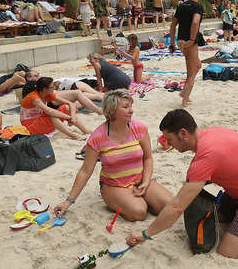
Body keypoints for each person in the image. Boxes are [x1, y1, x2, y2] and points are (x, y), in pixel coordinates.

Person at [125, 109, 238, 258]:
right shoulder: (214, 132)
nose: (171, 146)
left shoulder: (204, 160)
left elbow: (176, 207)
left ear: (183, 133)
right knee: (217, 216)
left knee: (228, 252)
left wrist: (145, 234)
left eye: (170, 140)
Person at [53, 90, 172, 221]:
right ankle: (128, 201)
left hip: (139, 180)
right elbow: (85, 171)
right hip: (113, 185)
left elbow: (148, 157)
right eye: (126, 107)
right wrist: (68, 201)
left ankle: (139, 199)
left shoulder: (139, 128)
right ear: (111, 111)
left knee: (169, 206)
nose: (131, 111)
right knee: (139, 212)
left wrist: (146, 181)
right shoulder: (98, 137)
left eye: (131, 106)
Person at [169, 0, 205, 108]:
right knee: (191, 73)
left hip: (180, 41)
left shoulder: (181, 5)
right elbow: (195, 22)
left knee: (198, 65)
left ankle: (185, 93)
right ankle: (184, 100)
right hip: (189, 42)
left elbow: (173, 25)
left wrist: (172, 43)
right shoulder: (198, 7)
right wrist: (192, 39)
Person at [20, 77, 91, 140]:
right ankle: (74, 136)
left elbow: (70, 104)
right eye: (52, 87)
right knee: (52, 115)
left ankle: (85, 130)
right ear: (45, 89)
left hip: (40, 120)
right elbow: (50, 111)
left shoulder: (47, 94)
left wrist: (72, 117)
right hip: (30, 126)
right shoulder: (34, 98)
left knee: (65, 107)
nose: (54, 88)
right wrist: (69, 117)